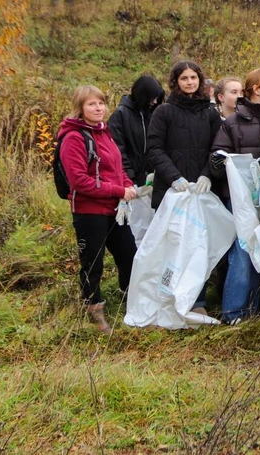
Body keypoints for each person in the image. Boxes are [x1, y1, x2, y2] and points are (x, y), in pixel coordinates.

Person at [58, 85, 138, 333]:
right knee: (93, 264)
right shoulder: (73, 137)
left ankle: (132, 304)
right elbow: (79, 181)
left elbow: (117, 168)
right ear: (80, 108)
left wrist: (126, 184)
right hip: (89, 211)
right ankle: (95, 313)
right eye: (92, 104)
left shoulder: (105, 133)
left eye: (101, 103)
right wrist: (117, 190)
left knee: (130, 256)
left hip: (115, 209)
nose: (98, 108)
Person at [147, 60, 223, 316]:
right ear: (176, 82)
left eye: (194, 77)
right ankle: (168, 300)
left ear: (200, 80)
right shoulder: (164, 112)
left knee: (198, 247)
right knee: (173, 247)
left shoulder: (210, 113)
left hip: (200, 193)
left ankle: (197, 302)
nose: (190, 82)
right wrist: (173, 177)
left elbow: (217, 148)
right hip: (172, 192)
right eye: (184, 78)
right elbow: (154, 149)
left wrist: (207, 175)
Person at [209, 69, 260, 324]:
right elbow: (216, 163)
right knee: (242, 253)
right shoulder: (233, 124)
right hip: (241, 200)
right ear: (255, 90)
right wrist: (223, 162)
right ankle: (235, 312)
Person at [108, 75, 165, 186]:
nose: (155, 102)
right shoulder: (120, 115)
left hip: (150, 179)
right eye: (152, 98)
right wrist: (129, 177)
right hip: (128, 180)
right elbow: (117, 150)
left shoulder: (153, 114)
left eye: (157, 98)